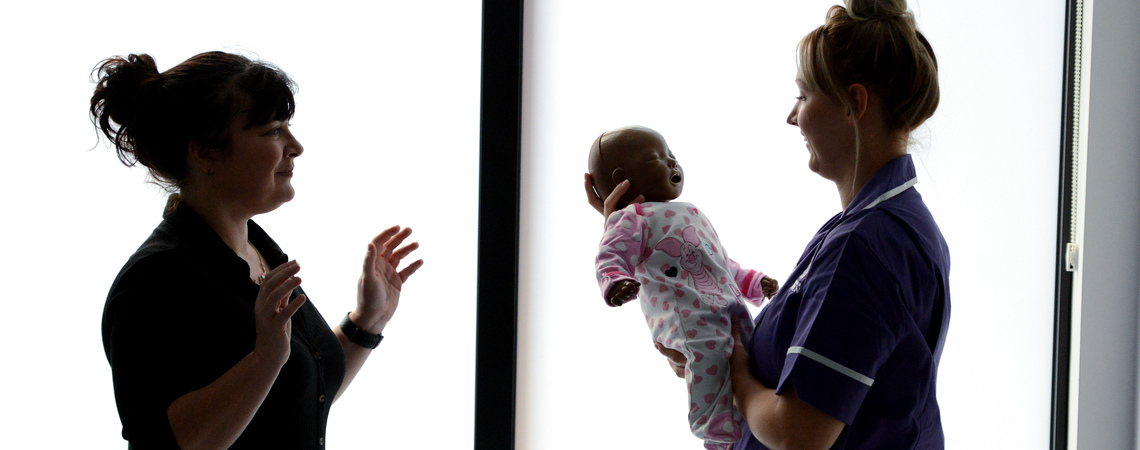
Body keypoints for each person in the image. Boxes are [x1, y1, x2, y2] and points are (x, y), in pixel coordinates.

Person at [585, 0, 949, 447]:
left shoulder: (865, 246)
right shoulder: (887, 226)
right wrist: (700, 343)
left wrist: (737, 377)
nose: (792, 116)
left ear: (854, 103)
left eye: (803, 96)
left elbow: (797, 435)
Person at [92, 51, 424, 449]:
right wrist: (264, 360)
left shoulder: (260, 250)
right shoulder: (154, 281)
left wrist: (366, 322)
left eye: (288, 127)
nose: (295, 146)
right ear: (205, 151)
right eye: (272, 131)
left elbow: (291, 401)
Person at [588, 126, 778, 450]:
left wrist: (755, 282)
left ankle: (751, 424)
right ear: (623, 178)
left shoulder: (692, 212)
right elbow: (610, 255)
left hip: (726, 305)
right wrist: (616, 282)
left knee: (752, 352)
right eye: (657, 158)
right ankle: (713, 428)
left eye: (672, 156)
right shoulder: (632, 218)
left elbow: (722, 264)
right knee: (707, 353)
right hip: (685, 315)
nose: (672, 163)